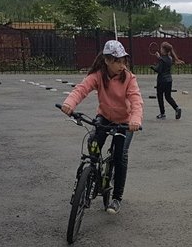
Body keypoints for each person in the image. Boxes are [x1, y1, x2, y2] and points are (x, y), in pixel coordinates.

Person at [60, 40, 143, 215]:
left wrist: (135, 120)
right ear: (107, 60)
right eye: (117, 61)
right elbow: (81, 89)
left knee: (120, 157)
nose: (122, 65)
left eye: (123, 61)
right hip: (104, 117)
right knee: (93, 142)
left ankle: (117, 198)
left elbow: (136, 101)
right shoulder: (98, 75)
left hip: (125, 122)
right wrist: (69, 104)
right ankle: (93, 174)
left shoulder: (129, 78)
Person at [151, 41, 183, 120]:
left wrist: (152, 67)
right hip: (169, 80)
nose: (160, 49)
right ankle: (176, 108)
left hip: (162, 80)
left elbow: (159, 70)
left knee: (160, 96)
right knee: (168, 96)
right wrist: (159, 58)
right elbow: (164, 62)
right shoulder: (170, 58)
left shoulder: (162, 60)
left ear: (164, 50)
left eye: (161, 48)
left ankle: (162, 113)